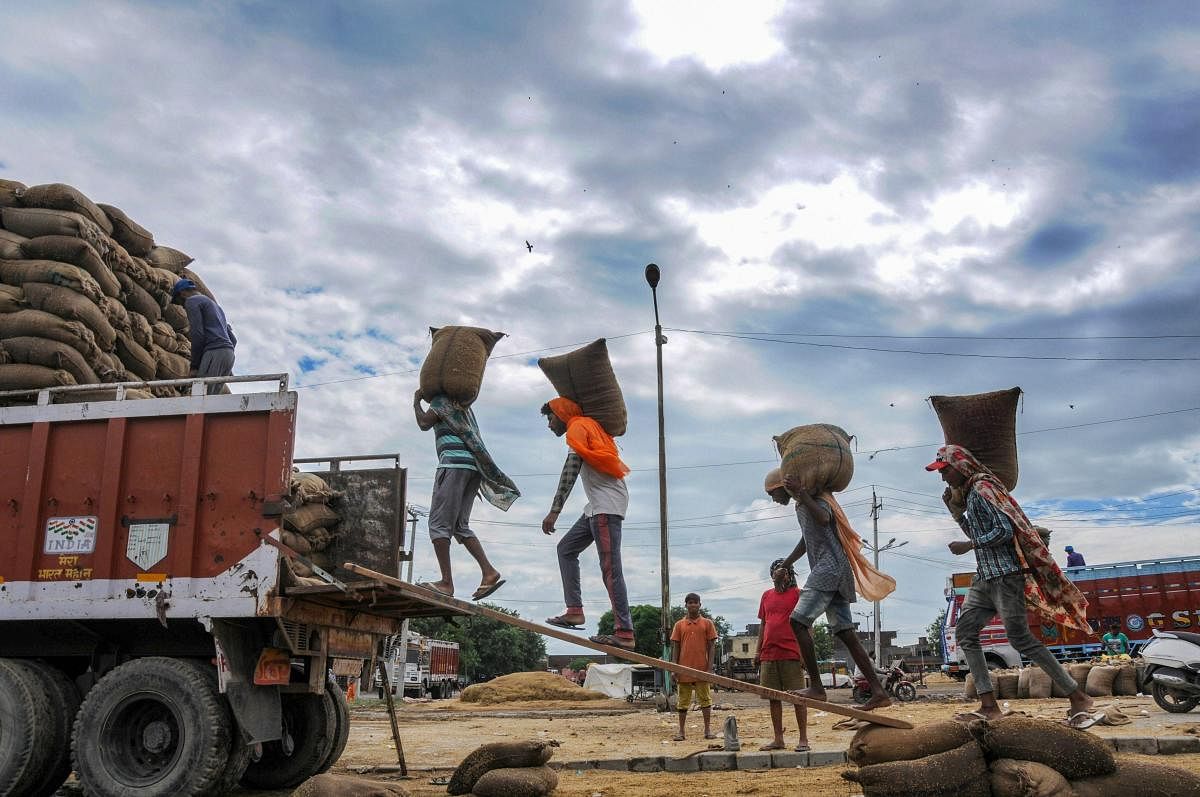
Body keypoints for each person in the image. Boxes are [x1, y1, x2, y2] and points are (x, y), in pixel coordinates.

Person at [928, 444, 1100, 727]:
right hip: (986, 578)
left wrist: (968, 544)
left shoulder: (983, 490)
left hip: (1006, 577)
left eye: (945, 471)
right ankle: (988, 705)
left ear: (960, 468)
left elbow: (1004, 531)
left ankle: (1077, 696)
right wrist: (957, 514)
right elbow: (978, 531)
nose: (943, 478)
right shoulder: (972, 494)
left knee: (1020, 639)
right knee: (966, 634)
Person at [769, 468, 892, 711]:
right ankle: (879, 692)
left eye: (772, 494)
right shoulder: (801, 507)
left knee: (797, 621)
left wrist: (802, 494)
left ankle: (817, 687)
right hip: (834, 572)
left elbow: (824, 519)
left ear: (783, 487)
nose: (773, 500)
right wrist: (785, 565)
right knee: (845, 632)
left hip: (829, 571)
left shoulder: (815, 501)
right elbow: (807, 540)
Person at [540, 398, 635, 650]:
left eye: (550, 419)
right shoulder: (586, 427)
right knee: (566, 549)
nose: (549, 425)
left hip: (607, 507)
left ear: (560, 414)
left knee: (611, 569)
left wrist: (554, 511)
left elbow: (570, 471)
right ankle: (574, 611)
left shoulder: (577, 428)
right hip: (596, 507)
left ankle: (624, 632)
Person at [413, 391, 519, 599]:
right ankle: (489, 572)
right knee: (459, 526)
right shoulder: (463, 407)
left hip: (453, 464)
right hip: (472, 467)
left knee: (438, 524)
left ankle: (446, 583)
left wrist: (416, 402)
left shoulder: (441, 401)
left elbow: (424, 423)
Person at [754, 558, 810, 752]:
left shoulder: (798, 594)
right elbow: (763, 624)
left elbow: (806, 625)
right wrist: (757, 650)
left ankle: (803, 739)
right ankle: (778, 739)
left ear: (790, 575)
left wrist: (806, 653)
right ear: (772, 575)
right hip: (769, 653)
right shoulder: (766, 596)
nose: (780, 575)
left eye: (784, 572)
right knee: (773, 698)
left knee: (798, 697)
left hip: (791, 652)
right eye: (777, 571)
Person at [172, 278, 235, 394]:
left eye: (179, 302)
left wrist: (194, 367)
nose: (183, 307)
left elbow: (197, 334)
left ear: (182, 293)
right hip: (229, 355)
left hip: (214, 352)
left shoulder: (192, 301)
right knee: (210, 399)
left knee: (200, 395)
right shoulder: (217, 308)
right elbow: (233, 340)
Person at [670, 592, 718, 741]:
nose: (692, 605)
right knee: (683, 701)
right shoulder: (679, 625)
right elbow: (675, 647)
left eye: (695, 602)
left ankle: (707, 730)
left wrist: (709, 668)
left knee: (705, 700)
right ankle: (681, 732)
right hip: (683, 669)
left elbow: (712, 646)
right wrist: (674, 668)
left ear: (700, 605)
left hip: (701, 669)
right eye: (689, 602)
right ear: (686, 605)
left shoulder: (707, 623)